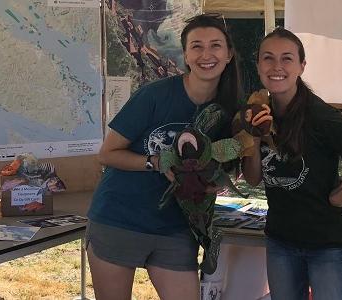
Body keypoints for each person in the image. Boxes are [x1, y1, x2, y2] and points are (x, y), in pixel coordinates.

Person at [86, 13, 240, 300]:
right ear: (185, 55)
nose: (206, 54)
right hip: (120, 218)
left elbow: (224, 163)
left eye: (215, 45)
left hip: (176, 228)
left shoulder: (230, 109)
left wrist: (212, 182)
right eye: (196, 46)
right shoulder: (154, 95)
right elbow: (107, 154)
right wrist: (155, 162)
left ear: (229, 54)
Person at [241, 27, 342, 300]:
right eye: (268, 58)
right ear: (258, 65)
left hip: (326, 244)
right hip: (280, 240)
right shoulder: (259, 110)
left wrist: (341, 197)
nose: (277, 66)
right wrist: (252, 139)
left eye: (287, 58)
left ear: (302, 66)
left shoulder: (319, 116)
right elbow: (252, 178)